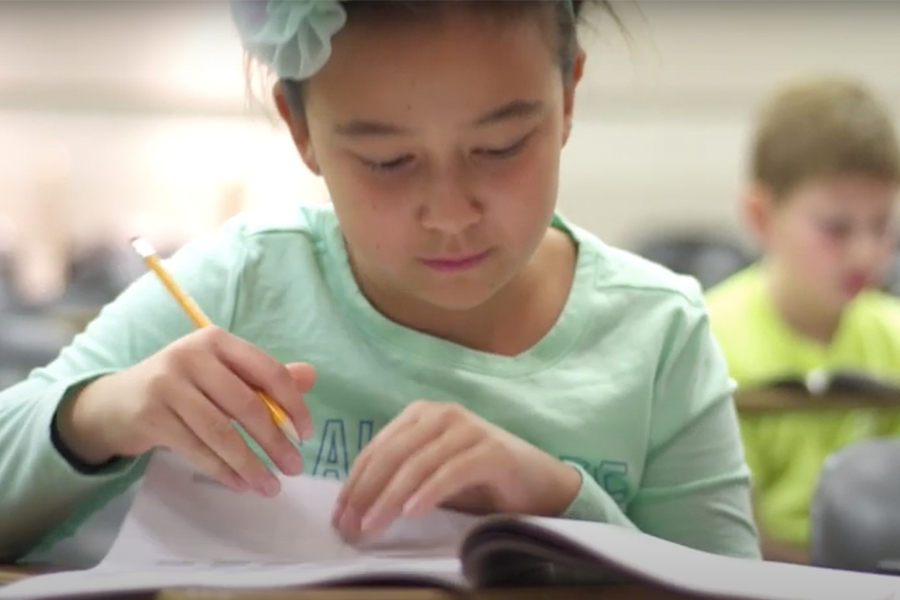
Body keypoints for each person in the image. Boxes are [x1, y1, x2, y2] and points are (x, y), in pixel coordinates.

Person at [0, 0, 760, 565]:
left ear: (567, 98)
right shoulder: (242, 286)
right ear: (302, 134)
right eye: (388, 162)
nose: (451, 214)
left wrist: (557, 502)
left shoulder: (658, 332)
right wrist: (97, 414)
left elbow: (729, 582)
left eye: (500, 147)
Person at [705, 75, 900, 564]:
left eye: (882, 225)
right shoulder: (704, 339)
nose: (867, 252)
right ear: (760, 214)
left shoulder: (894, 334)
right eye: (836, 228)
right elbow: (726, 533)